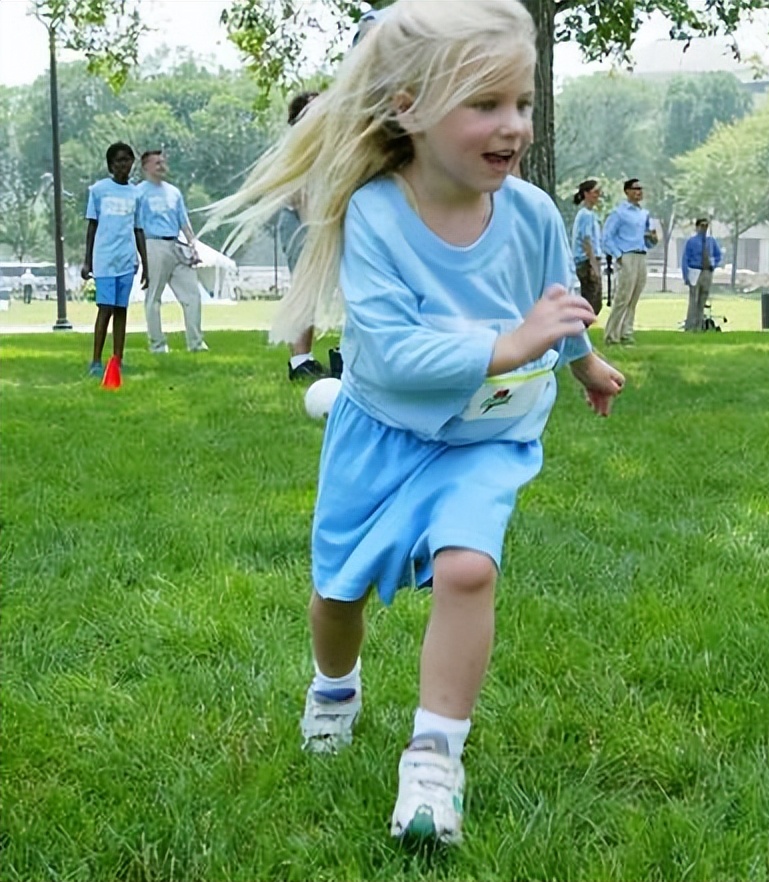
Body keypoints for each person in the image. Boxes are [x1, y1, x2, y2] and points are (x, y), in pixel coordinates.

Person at [205, 0, 624, 848]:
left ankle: (434, 759)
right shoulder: (376, 214)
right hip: (383, 432)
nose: (514, 128)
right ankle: (335, 685)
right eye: (486, 105)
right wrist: (508, 344)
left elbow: (557, 306)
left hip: (487, 438)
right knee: (338, 592)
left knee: (469, 569)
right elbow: (392, 356)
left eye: (522, 104)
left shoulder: (536, 212)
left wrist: (582, 362)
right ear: (409, 109)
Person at [82, 142, 148, 377]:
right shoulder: (99, 190)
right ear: (111, 165)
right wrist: (87, 261)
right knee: (106, 308)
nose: (124, 165)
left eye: (128, 160)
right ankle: (96, 362)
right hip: (105, 260)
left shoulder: (136, 194)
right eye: (119, 161)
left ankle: (117, 359)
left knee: (121, 310)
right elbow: (92, 226)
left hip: (126, 260)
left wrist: (145, 265)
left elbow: (138, 229)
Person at [137, 150, 208, 354]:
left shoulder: (173, 192)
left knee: (192, 296)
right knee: (154, 297)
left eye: (163, 162)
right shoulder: (139, 192)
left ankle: (196, 342)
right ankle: (158, 345)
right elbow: (136, 225)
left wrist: (192, 243)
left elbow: (183, 221)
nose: (162, 165)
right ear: (146, 167)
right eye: (157, 162)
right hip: (154, 244)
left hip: (176, 245)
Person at [279, 90, 328, 381]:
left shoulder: (325, 145)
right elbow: (299, 195)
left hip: (318, 221)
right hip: (299, 221)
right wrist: (313, 231)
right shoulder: (299, 148)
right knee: (303, 289)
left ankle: (306, 358)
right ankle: (299, 361)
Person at [601, 178, 656, 345]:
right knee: (623, 296)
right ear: (627, 191)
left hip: (641, 254)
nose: (639, 192)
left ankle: (626, 332)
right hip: (627, 255)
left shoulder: (644, 214)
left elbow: (648, 238)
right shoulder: (619, 213)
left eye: (641, 189)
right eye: (635, 189)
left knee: (634, 297)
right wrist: (618, 255)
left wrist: (652, 239)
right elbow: (606, 238)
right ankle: (612, 334)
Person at [681, 217, 722, 332]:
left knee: (702, 300)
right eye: (702, 226)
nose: (704, 228)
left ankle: (699, 326)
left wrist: (714, 264)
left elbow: (718, 255)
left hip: (707, 271)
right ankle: (690, 326)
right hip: (695, 271)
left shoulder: (711, 241)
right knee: (693, 300)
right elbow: (685, 259)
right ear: (697, 227)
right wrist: (686, 275)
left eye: (706, 226)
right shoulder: (691, 241)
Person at [570, 179, 603, 315]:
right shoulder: (586, 215)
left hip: (587, 261)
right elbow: (586, 240)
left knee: (592, 301)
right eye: (595, 192)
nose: (598, 195)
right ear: (586, 194)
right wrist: (594, 264)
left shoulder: (589, 215)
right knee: (591, 301)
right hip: (586, 262)